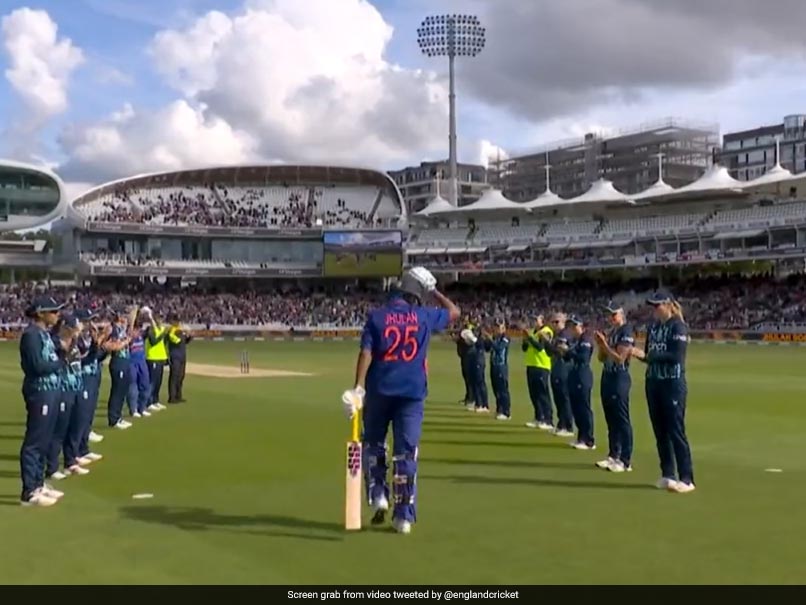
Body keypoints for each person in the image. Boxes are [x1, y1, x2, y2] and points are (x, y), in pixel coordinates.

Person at [342, 267, 460, 534]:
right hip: (411, 394)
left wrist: (358, 387)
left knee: (374, 444)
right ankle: (403, 516)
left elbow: (366, 352)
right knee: (406, 453)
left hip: (379, 390)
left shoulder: (377, 317)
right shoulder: (424, 315)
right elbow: (455, 312)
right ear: (417, 294)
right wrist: (435, 291)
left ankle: (378, 494)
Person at [631, 292, 695, 493]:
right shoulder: (653, 327)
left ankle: (686, 478)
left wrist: (648, 356)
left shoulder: (678, 326)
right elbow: (649, 355)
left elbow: (676, 356)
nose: (654, 310)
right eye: (652, 306)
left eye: (657, 305)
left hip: (672, 383)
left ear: (668, 305)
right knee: (660, 432)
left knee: (675, 430)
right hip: (653, 382)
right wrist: (639, 355)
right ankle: (668, 474)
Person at [19, 295, 67, 507]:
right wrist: (61, 362)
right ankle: (29, 490)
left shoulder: (44, 334)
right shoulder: (31, 336)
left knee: (45, 439)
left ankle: (38, 483)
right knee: (35, 441)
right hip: (40, 391)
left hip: (51, 390)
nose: (57, 315)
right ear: (40, 313)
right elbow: (37, 366)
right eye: (53, 311)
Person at [46, 313, 90, 480]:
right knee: (59, 430)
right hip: (63, 387)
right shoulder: (56, 341)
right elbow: (62, 354)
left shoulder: (74, 341)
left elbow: (82, 354)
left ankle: (70, 461)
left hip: (76, 385)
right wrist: (72, 338)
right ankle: (52, 467)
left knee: (74, 425)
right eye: (74, 328)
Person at [593, 302, 635, 473]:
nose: (611, 318)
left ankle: (625, 460)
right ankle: (613, 454)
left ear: (621, 314)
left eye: (614, 314)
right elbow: (602, 358)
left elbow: (620, 358)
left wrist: (604, 345)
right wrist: (601, 345)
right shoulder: (612, 332)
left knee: (621, 418)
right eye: (609, 314)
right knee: (611, 418)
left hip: (619, 378)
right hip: (608, 376)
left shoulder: (626, 331)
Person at [75, 308, 107, 462]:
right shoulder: (76, 339)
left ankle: (84, 449)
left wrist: (104, 349)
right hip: (82, 377)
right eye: (87, 320)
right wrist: (96, 344)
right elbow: (82, 359)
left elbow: (96, 357)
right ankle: (75, 453)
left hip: (92, 376)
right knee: (80, 417)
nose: (90, 323)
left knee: (87, 414)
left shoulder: (87, 337)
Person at [565, 315, 595, 450]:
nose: (572, 328)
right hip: (574, 374)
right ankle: (581, 437)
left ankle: (588, 439)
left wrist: (568, 351)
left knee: (583, 407)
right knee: (576, 407)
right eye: (571, 326)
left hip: (582, 375)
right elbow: (568, 357)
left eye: (575, 325)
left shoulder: (585, 339)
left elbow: (583, 357)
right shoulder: (575, 340)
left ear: (581, 326)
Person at [522, 314, 554, 430]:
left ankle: (548, 419)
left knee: (542, 393)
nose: (534, 321)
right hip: (531, 364)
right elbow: (525, 349)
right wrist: (525, 340)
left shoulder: (546, 331)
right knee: (534, 394)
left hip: (542, 365)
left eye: (536, 319)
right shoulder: (532, 331)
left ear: (542, 321)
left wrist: (529, 338)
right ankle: (539, 417)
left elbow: (540, 347)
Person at [547, 313, 574, 437]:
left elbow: (559, 351)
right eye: (553, 322)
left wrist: (548, 343)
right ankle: (561, 423)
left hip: (563, 368)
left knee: (564, 397)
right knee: (558, 397)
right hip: (556, 367)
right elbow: (550, 352)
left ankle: (568, 426)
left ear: (563, 322)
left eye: (557, 322)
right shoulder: (556, 335)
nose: (554, 324)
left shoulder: (565, 334)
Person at [105, 310, 133, 430]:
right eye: (124, 315)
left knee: (122, 391)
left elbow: (130, 328)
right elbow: (115, 346)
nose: (125, 317)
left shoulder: (121, 328)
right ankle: (113, 419)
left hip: (125, 361)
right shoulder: (114, 329)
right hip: (118, 362)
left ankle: (118, 416)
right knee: (117, 392)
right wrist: (126, 341)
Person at [126, 309, 152, 418]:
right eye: (137, 329)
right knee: (132, 387)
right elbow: (130, 331)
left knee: (145, 384)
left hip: (142, 362)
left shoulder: (142, 334)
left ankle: (142, 408)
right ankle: (133, 410)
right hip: (132, 362)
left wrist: (150, 317)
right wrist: (133, 313)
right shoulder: (129, 335)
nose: (138, 331)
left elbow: (153, 329)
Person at [483, 321, 511, 420]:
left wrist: (490, 340)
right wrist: (486, 340)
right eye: (496, 327)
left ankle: (506, 412)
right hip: (494, 366)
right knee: (496, 389)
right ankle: (499, 409)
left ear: (503, 329)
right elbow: (487, 349)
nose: (496, 329)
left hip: (501, 366)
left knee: (503, 390)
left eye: (499, 328)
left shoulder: (505, 338)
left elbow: (499, 348)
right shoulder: (495, 338)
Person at [143, 308, 169, 410]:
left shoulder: (162, 329)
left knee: (158, 381)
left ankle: (155, 400)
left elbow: (163, 344)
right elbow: (153, 341)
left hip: (160, 358)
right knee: (152, 382)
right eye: (159, 318)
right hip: (152, 358)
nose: (160, 320)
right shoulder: (150, 329)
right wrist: (162, 334)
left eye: (162, 318)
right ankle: (148, 402)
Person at [464, 322, 489, 413]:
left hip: (479, 362)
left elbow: (485, 347)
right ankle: (478, 403)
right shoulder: (476, 339)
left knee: (480, 383)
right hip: (474, 361)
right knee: (474, 383)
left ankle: (484, 404)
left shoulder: (481, 339)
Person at [167, 313, 193, 403]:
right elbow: (176, 340)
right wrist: (182, 333)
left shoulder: (179, 330)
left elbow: (185, 341)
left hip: (182, 355)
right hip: (175, 356)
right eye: (176, 321)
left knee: (181, 376)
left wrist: (189, 336)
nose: (178, 323)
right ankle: (172, 397)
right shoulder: (172, 330)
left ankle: (179, 395)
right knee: (174, 376)